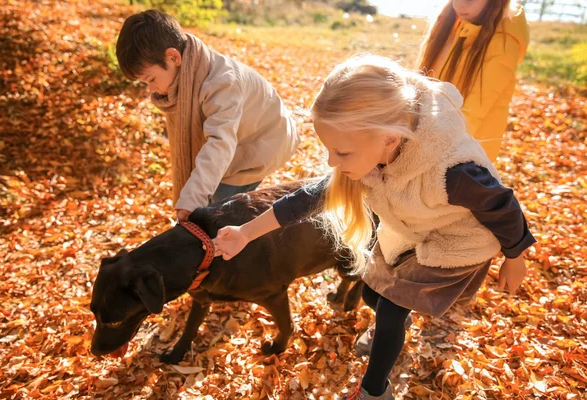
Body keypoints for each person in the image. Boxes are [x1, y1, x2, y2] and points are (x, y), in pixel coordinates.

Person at [211, 55, 535, 399]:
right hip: (414, 226)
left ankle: (374, 391)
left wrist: (515, 258)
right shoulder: (373, 153)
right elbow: (304, 201)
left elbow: (503, 206)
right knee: (370, 293)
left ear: (389, 140)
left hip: (459, 239)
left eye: (342, 153)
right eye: (329, 150)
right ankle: (393, 326)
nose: (331, 162)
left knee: (392, 307)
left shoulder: (453, 171)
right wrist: (245, 233)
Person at [116, 10, 299, 221]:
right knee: (205, 203)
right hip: (240, 136)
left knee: (217, 215)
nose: (151, 90)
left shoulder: (221, 83)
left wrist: (191, 200)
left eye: (151, 79)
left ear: (173, 57)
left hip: (264, 140)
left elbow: (219, 144)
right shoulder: (183, 80)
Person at [418, 0, 529, 162]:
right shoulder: (450, 24)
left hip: (463, 155)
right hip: (431, 143)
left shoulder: (503, 43)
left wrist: (433, 147)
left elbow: (475, 111)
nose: (460, 5)